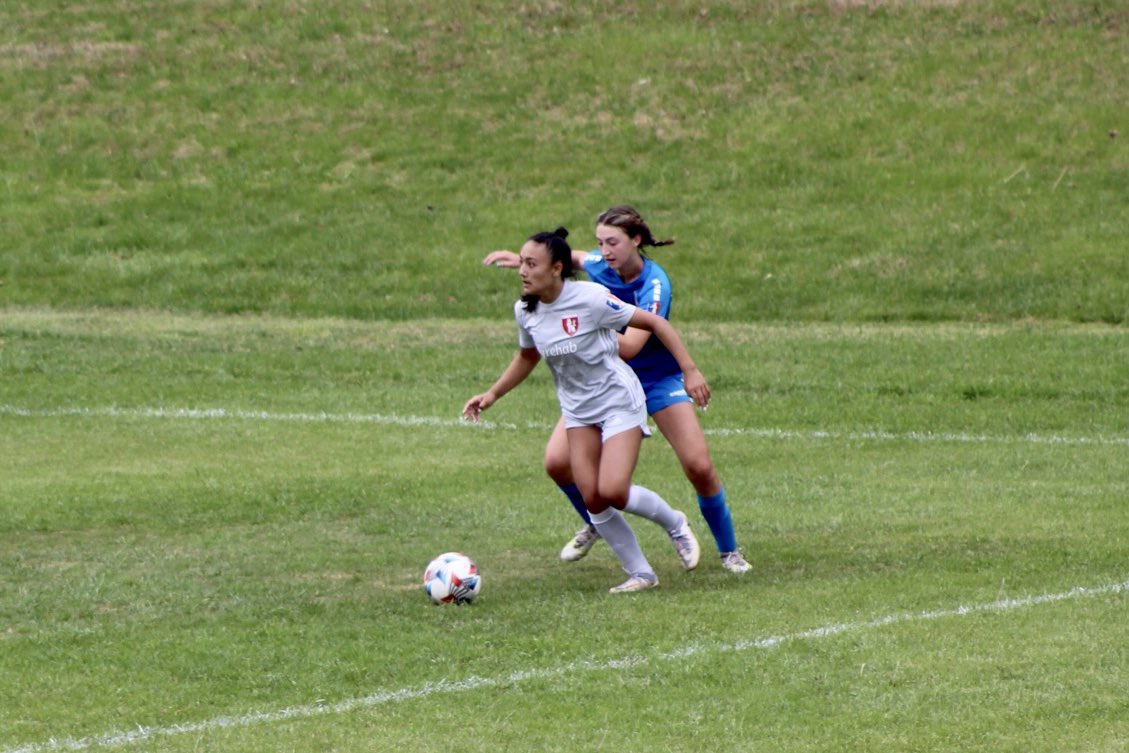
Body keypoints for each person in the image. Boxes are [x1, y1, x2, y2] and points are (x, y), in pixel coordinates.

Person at [482, 206, 751, 574]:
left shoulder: (654, 285)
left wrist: (575, 325)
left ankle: (729, 551)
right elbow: (575, 258)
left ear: (636, 241)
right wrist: (529, 263)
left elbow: (631, 346)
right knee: (557, 464)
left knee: (698, 466)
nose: (605, 251)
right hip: (599, 382)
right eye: (600, 243)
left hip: (652, 379)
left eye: (613, 243)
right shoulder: (597, 267)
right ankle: (597, 520)